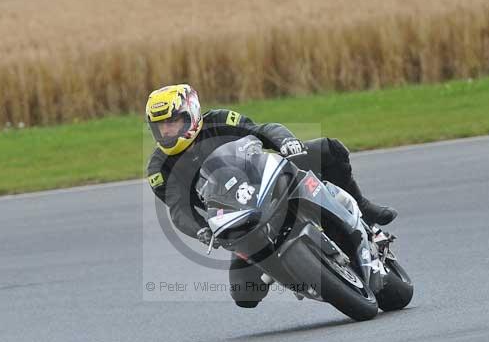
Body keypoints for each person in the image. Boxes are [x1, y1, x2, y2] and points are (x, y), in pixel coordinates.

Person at [146, 84, 397, 308]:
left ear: (191, 114)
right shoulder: (159, 168)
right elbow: (178, 208)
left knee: (330, 149)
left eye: (173, 122)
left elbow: (261, 130)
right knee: (244, 295)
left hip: (267, 179)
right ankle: (287, 271)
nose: (167, 131)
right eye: (160, 126)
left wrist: (287, 141)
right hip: (239, 216)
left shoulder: (220, 119)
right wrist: (200, 230)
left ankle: (363, 209)